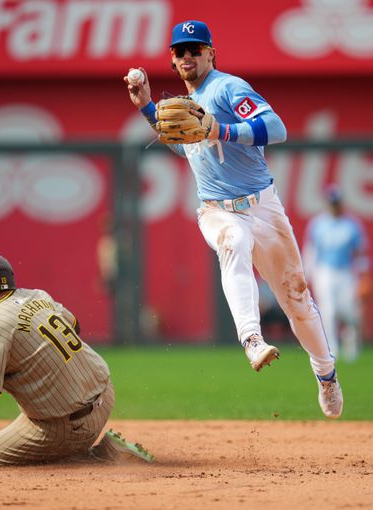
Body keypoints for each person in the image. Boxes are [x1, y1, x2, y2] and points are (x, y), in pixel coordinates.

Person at [124, 20, 342, 418]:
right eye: (180, 51)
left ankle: (325, 374)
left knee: (298, 300)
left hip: (263, 206)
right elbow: (185, 143)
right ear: (172, 60)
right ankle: (252, 340)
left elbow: (277, 129)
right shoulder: (185, 102)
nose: (187, 56)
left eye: (195, 48)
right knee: (233, 244)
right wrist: (146, 106)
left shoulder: (227, 87)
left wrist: (220, 129)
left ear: (211, 53)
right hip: (215, 209)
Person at [0, 254, 154, 471]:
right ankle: (88, 441)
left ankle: (103, 454)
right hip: (105, 395)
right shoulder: (38, 296)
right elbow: (74, 325)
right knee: (30, 414)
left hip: (69, 427)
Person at [303, 186, 371, 362]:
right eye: (332, 203)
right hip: (324, 271)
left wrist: (364, 275)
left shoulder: (352, 224)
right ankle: (332, 350)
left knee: (350, 312)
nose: (335, 206)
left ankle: (352, 347)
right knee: (328, 311)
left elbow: (360, 252)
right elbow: (311, 250)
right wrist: (306, 275)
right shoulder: (318, 223)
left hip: (346, 272)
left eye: (337, 203)